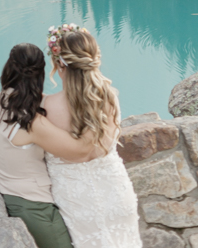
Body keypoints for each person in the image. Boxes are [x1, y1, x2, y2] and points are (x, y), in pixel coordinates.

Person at [40, 24, 142, 248]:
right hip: (116, 191)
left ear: (59, 64)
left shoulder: (46, 106)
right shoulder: (110, 97)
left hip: (75, 199)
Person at [0, 42, 96, 248]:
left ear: (9, 67)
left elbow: (37, 100)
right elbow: (81, 151)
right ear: (40, 73)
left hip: (8, 193)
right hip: (35, 206)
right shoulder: (33, 122)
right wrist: (95, 123)